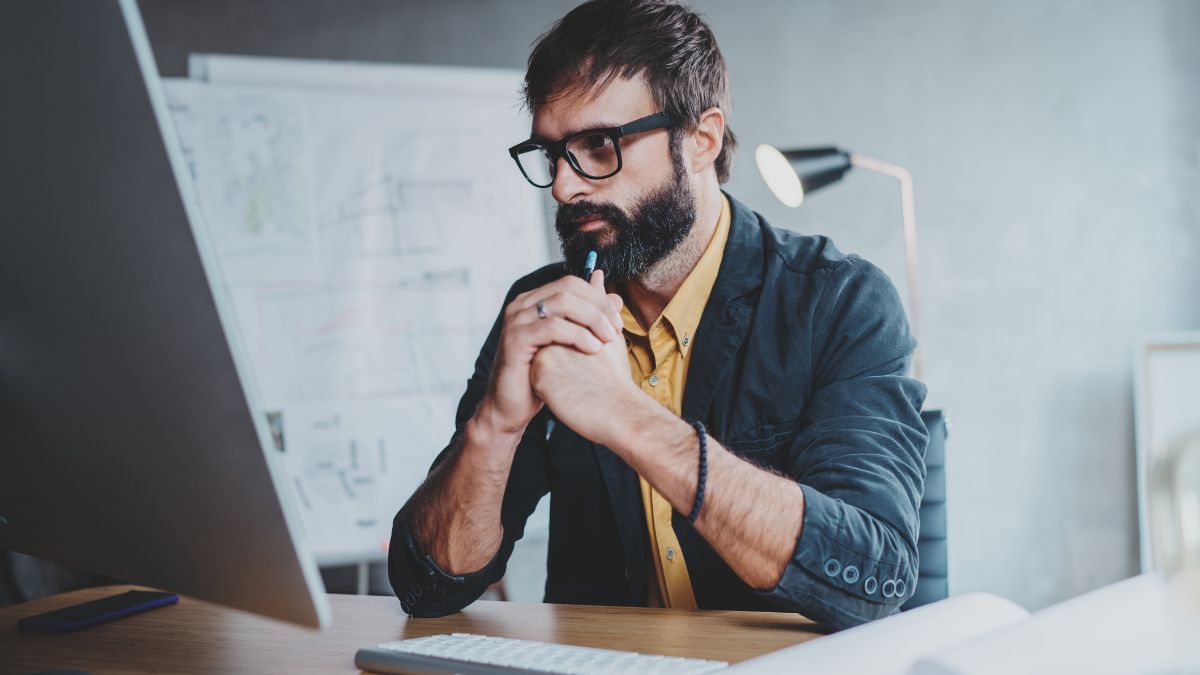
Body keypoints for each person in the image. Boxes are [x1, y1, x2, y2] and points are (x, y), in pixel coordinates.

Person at [389, 0, 928, 631]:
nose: (565, 186)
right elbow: (428, 586)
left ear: (699, 141)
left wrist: (625, 415)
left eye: (599, 145)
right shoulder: (543, 310)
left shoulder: (839, 302)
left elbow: (874, 573)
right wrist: (495, 428)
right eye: (553, 153)